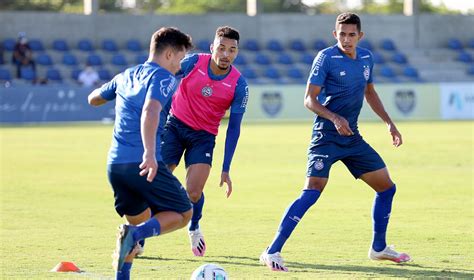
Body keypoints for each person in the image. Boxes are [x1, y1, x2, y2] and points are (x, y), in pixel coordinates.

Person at [259, 12, 411, 272]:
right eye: (342, 34)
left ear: (360, 36)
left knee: (386, 188)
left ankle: (379, 248)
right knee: (312, 190)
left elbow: (370, 92)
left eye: (352, 34)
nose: (346, 39)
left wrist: (388, 122)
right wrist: (334, 118)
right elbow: (309, 99)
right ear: (335, 34)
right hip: (326, 136)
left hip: (352, 138)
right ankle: (271, 250)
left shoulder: (366, 58)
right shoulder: (326, 58)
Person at [87, 26, 194, 278]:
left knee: (141, 219)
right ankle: (133, 234)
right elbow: (150, 110)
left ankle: (123, 270)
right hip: (142, 161)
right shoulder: (163, 77)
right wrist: (149, 153)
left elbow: (93, 98)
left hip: (115, 166)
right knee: (183, 212)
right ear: (169, 54)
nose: (179, 65)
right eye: (179, 58)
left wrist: (112, 92)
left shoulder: (126, 75)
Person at [160, 26, 249, 257]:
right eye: (221, 48)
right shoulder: (193, 63)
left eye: (232, 50)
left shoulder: (239, 84)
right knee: (156, 180)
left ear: (237, 52)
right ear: (212, 48)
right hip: (175, 127)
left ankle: (194, 226)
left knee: (194, 193)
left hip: (203, 137)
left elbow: (234, 128)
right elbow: (164, 78)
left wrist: (226, 168)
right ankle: (139, 238)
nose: (225, 54)